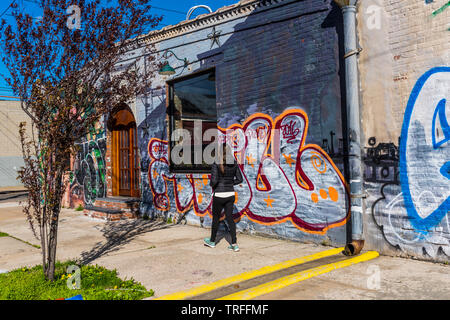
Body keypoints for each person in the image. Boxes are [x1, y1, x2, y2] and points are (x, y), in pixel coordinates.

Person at [204, 143, 243, 252]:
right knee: (230, 218)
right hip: (230, 194)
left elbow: (214, 181)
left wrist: (212, 184)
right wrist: (230, 183)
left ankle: (212, 241)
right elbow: (240, 179)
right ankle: (234, 244)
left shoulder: (217, 162)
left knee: (216, 218)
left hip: (219, 195)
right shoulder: (234, 163)